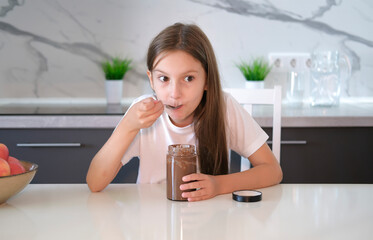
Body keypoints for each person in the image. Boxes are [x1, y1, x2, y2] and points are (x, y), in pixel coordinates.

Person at [86, 23, 282, 201]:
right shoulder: (141, 113)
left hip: (211, 221)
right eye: (164, 79)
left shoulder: (224, 107)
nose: (174, 93)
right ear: (151, 80)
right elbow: (95, 182)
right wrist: (128, 126)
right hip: (151, 223)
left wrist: (218, 184)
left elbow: (273, 170)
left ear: (206, 80)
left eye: (188, 78)